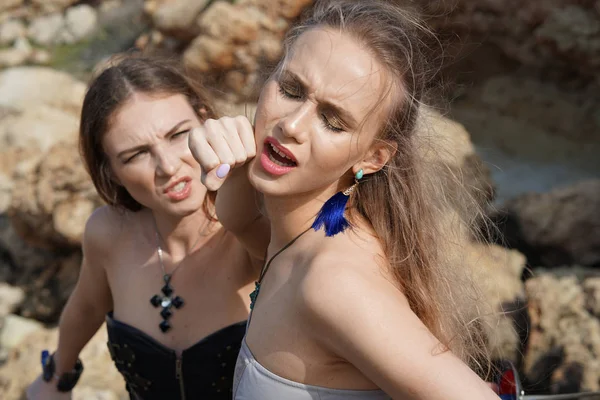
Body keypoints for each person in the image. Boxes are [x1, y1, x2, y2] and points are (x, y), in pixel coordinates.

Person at [189, 1, 501, 399]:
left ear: (373, 158)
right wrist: (228, 163)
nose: (292, 125)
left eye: (332, 121)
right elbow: (243, 222)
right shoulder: (302, 234)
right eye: (290, 89)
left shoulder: (334, 282)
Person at [26, 56, 263, 400]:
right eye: (136, 154)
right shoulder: (107, 234)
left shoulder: (255, 226)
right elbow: (88, 306)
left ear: (205, 119)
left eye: (179, 134)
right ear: (110, 171)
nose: (168, 166)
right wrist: (56, 376)